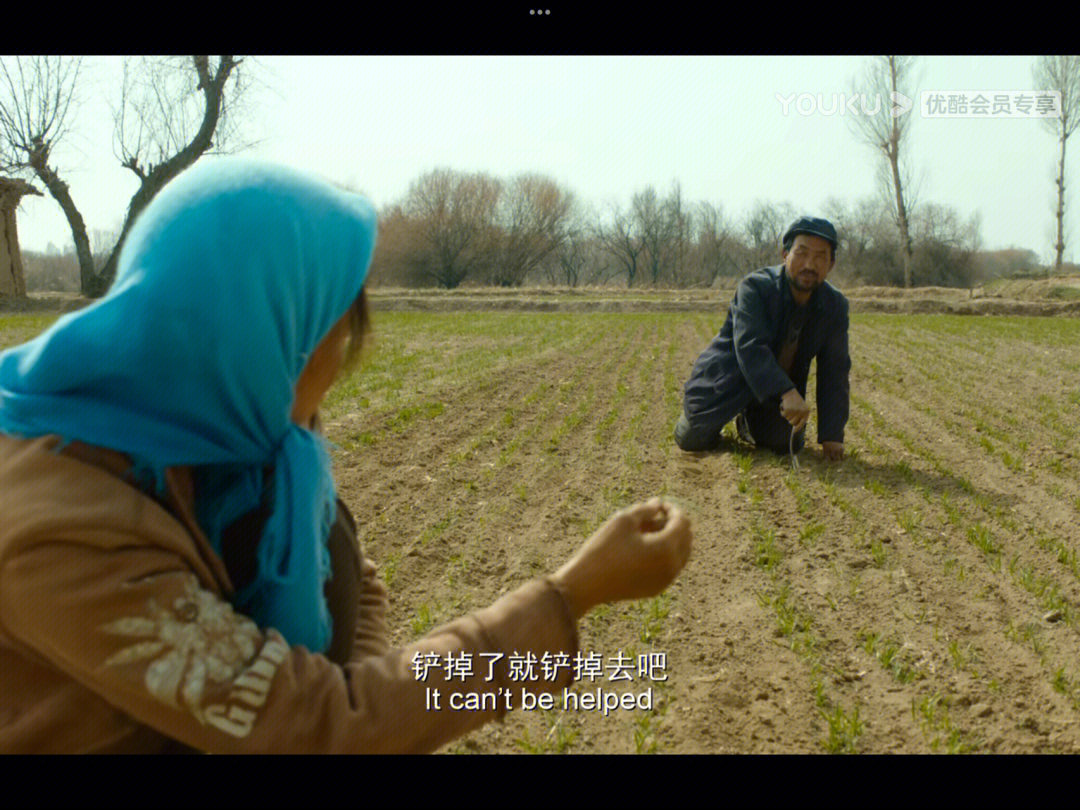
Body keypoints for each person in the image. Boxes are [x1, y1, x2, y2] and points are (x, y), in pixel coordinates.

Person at [0, 159, 692, 753]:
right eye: (334, 332)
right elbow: (315, 729)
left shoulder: (230, 441)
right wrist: (570, 597)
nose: (342, 366)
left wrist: (365, 712)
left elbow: (353, 585)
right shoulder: (60, 536)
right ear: (263, 341)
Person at [674, 216, 850, 461]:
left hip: (776, 394)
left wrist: (832, 434)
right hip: (726, 381)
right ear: (784, 254)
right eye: (802, 253)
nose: (810, 264)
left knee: (786, 444)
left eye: (821, 256)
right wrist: (787, 391)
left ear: (831, 264)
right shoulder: (755, 288)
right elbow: (750, 347)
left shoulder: (835, 305)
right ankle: (710, 416)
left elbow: (835, 370)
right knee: (692, 439)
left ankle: (749, 423)